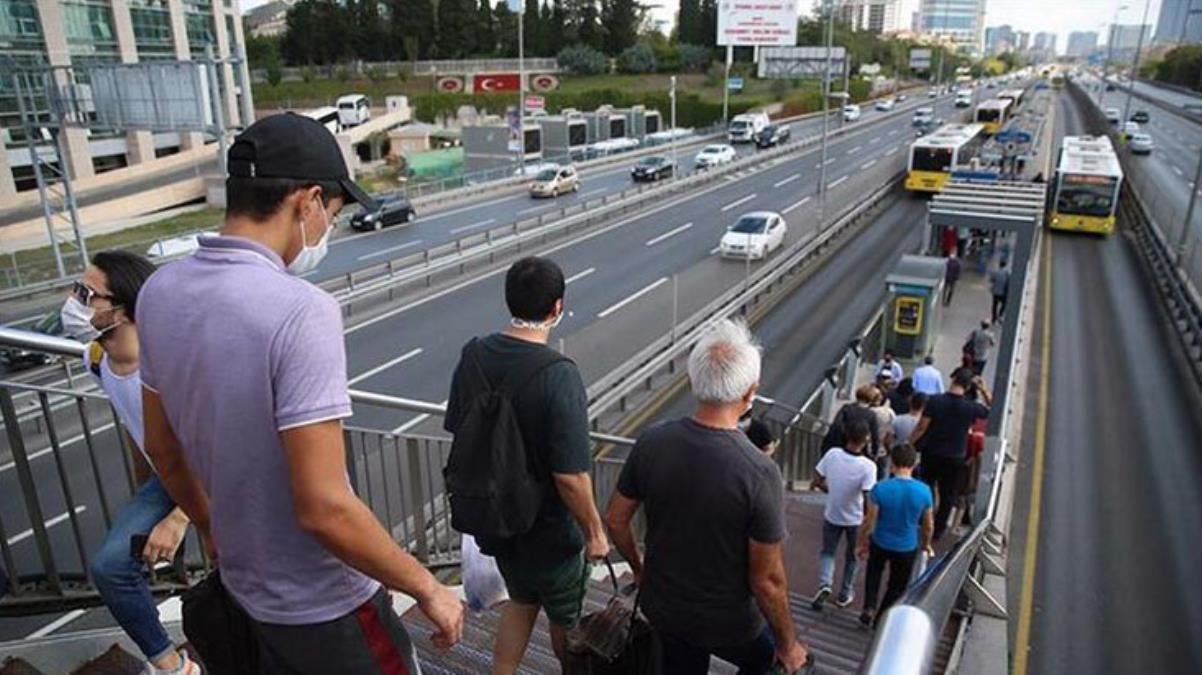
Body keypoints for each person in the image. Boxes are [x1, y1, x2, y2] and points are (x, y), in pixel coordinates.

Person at [138, 113, 464, 673]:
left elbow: (162, 448)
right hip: (326, 605)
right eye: (332, 215)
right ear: (308, 201)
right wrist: (427, 587)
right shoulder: (301, 311)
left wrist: (213, 527)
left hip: (245, 592)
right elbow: (323, 507)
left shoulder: (160, 290)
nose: (327, 230)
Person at [605, 319, 809, 674]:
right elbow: (767, 579)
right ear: (750, 393)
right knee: (765, 660)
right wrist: (788, 645)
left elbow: (615, 519)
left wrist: (640, 569)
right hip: (730, 622)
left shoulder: (653, 440)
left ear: (693, 380)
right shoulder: (759, 472)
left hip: (665, 608)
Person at [445, 257, 610, 674]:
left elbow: (459, 428)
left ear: (509, 301)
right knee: (566, 620)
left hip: (498, 522)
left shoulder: (473, 356)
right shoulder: (559, 375)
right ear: (557, 307)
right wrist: (594, 532)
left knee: (520, 600)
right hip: (550, 533)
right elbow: (570, 476)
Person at [60, 251, 199, 675]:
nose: (75, 303)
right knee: (111, 567)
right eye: (76, 290)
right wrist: (148, 493)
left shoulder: (171, 365)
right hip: (167, 479)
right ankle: (174, 667)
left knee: (245, 570)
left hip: (215, 476)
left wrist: (178, 518)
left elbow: (214, 444)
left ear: (122, 309)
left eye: (87, 295)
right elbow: (134, 424)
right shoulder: (96, 359)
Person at [855, 444, 934, 627]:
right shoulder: (924, 491)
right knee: (897, 586)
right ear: (914, 463)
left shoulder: (880, 488)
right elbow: (928, 525)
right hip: (907, 546)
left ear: (892, 462)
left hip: (880, 541)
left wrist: (862, 542)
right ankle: (882, 618)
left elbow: (869, 521)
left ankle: (869, 607)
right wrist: (926, 544)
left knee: (873, 575)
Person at [909, 370, 992, 541]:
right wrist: (983, 389)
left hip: (931, 452)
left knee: (926, 486)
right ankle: (938, 531)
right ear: (968, 387)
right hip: (955, 456)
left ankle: (924, 520)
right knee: (948, 494)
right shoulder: (970, 407)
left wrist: (909, 443)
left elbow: (922, 427)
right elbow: (992, 409)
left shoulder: (934, 401)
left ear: (952, 379)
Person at [810, 420, 877, 610]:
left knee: (828, 552)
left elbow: (817, 479)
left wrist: (829, 490)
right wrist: (869, 522)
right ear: (866, 439)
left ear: (847, 435)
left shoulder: (832, 454)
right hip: (855, 518)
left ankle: (825, 584)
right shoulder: (869, 466)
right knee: (852, 556)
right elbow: (868, 497)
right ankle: (845, 593)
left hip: (833, 513)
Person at [823, 385, 882, 460]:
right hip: (859, 449)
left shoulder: (846, 408)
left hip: (842, 445)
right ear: (870, 399)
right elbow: (875, 436)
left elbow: (836, 425)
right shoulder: (871, 415)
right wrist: (874, 453)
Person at [990, 259, 1011, 323]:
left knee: (994, 305)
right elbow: (1008, 282)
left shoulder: (995, 272)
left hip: (995, 292)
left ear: (999, 264)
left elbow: (992, 280)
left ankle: (994, 317)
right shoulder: (1007, 273)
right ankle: (1000, 315)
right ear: (1005, 265)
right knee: (1004, 304)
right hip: (1003, 293)